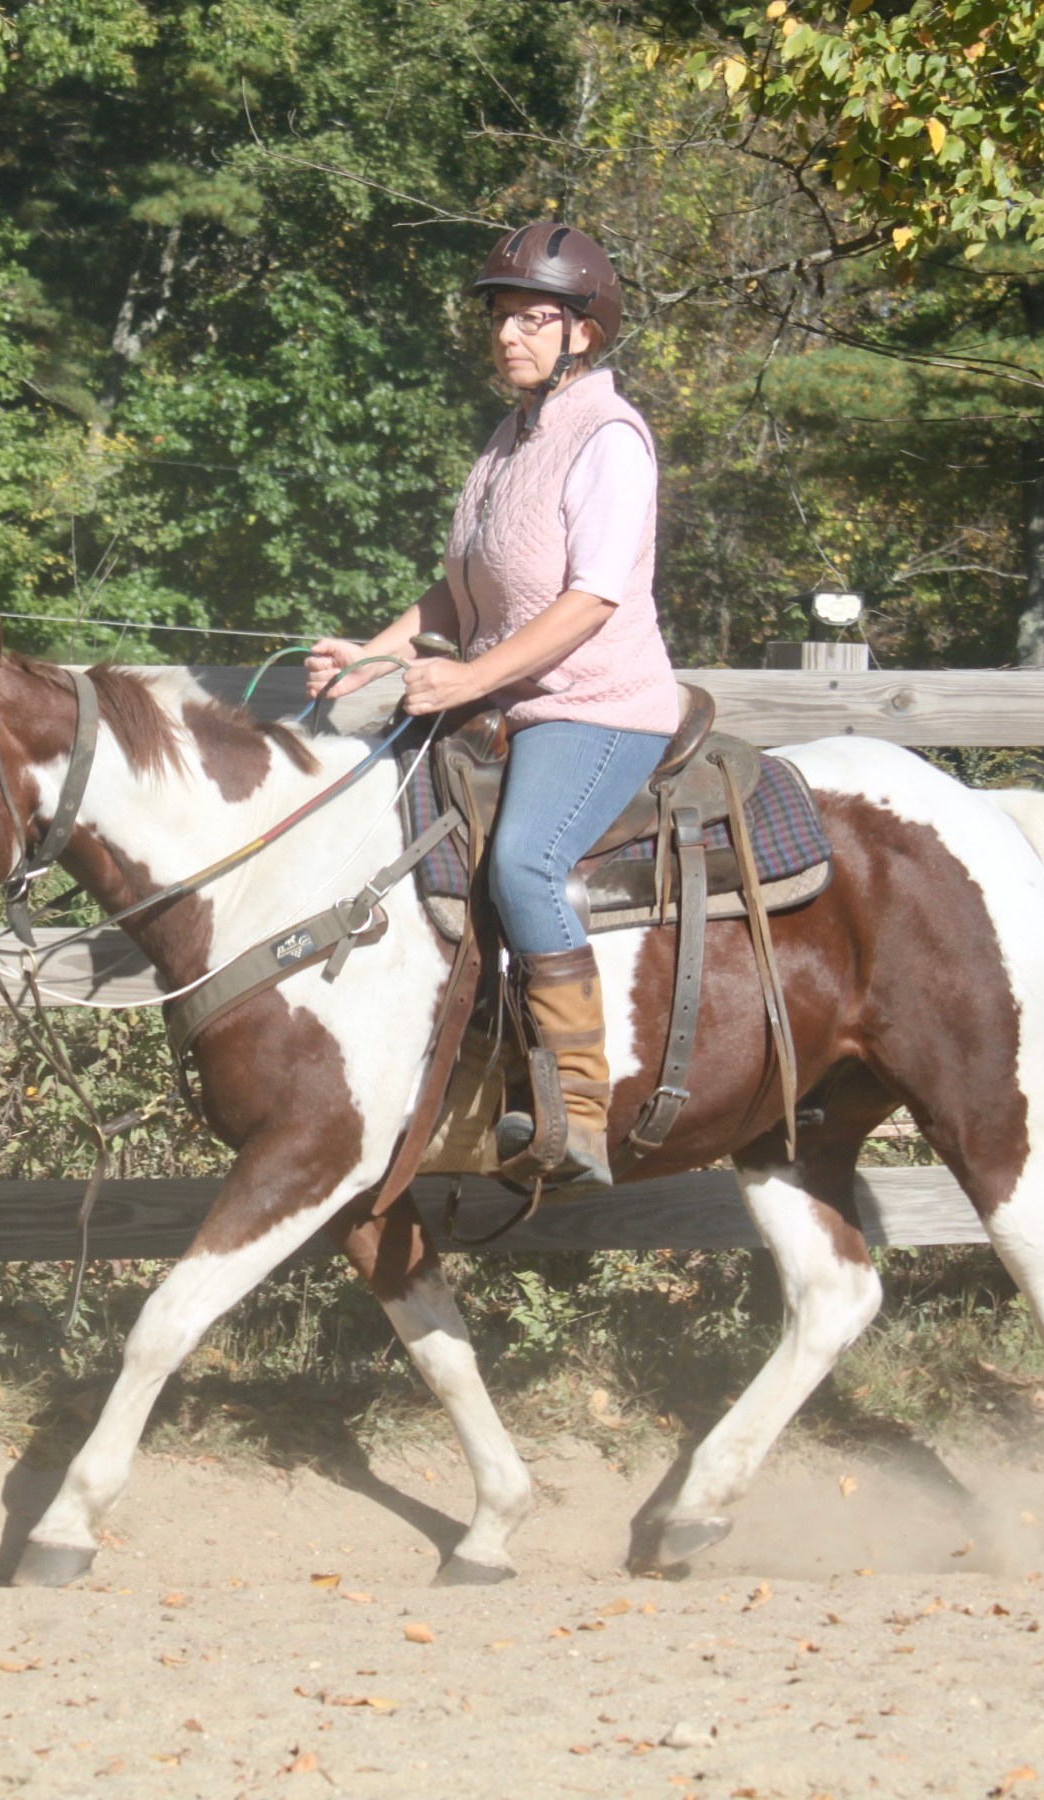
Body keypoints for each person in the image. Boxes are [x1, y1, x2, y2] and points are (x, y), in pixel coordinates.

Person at [305, 222, 677, 1191]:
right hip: (500, 702)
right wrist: (370, 657)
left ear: (584, 333)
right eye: (504, 317)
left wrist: (467, 681)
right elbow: (458, 596)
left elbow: (591, 600)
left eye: (535, 318)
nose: (510, 334)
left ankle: (582, 1105)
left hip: (591, 707)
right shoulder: (510, 444)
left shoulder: (608, 440)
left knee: (523, 861)